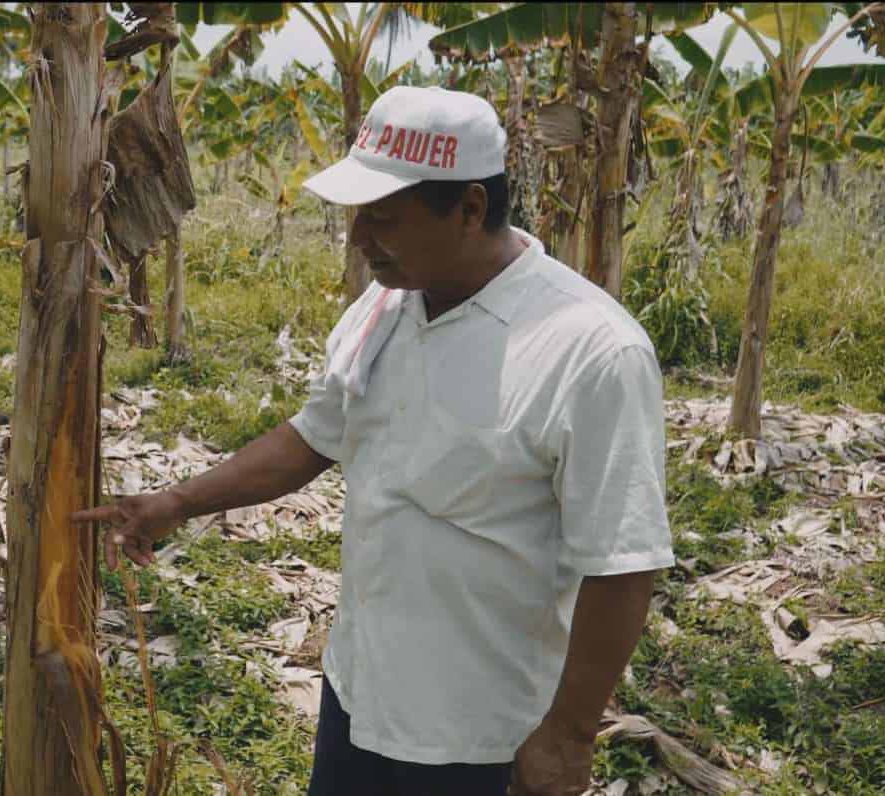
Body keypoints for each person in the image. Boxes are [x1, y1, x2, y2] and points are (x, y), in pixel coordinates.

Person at [73, 85, 674, 796]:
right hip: (358, 694)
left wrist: (569, 735)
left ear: (471, 209)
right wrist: (177, 502)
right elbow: (313, 437)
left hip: (480, 735)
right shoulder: (386, 305)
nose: (360, 238)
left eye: (383, 217)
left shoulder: (590, 351)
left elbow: (621, 565)